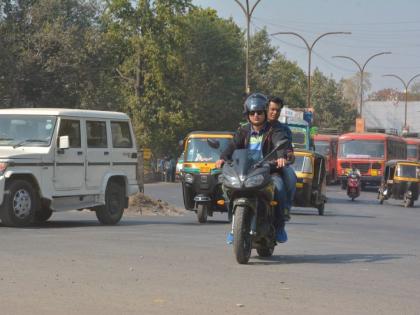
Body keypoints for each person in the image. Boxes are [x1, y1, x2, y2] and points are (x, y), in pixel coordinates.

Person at [216, 92, 291, 244]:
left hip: (269, 170)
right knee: (224, 183)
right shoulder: (243, 131)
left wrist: (282, 156)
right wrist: (222, 158)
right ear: (247, 114)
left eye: (259, 112)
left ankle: (279, 225)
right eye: (252, 112)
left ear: (264, 112)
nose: (256, 115)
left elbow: (281, 143)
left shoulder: (274, 130)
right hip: (245, 170)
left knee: (280, 187)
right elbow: (232, 147)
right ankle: (234, 227)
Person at [267, 96, 297, 221]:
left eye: (277, 110)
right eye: (272, 109)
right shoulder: (251, 127)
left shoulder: (283, 130)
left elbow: (288, 149)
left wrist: (287, 157)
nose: (274, 113)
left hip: (275, 168)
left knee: (291, 177)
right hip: (252, 169)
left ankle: (285, 209)